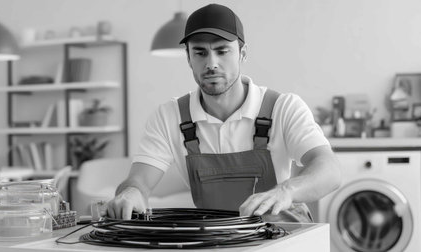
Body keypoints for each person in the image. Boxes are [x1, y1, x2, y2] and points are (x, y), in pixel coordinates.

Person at [105, 3, 341, 221]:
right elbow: (139, 181)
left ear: (243, 53)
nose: (211, 64)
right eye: (200, 52)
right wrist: (131, 193)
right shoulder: (169, 116)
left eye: (222, 51)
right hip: (218, 239)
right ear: (188, 57)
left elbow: (329, 170)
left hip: (283, 236)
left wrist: (286, 191)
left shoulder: (284, 107)